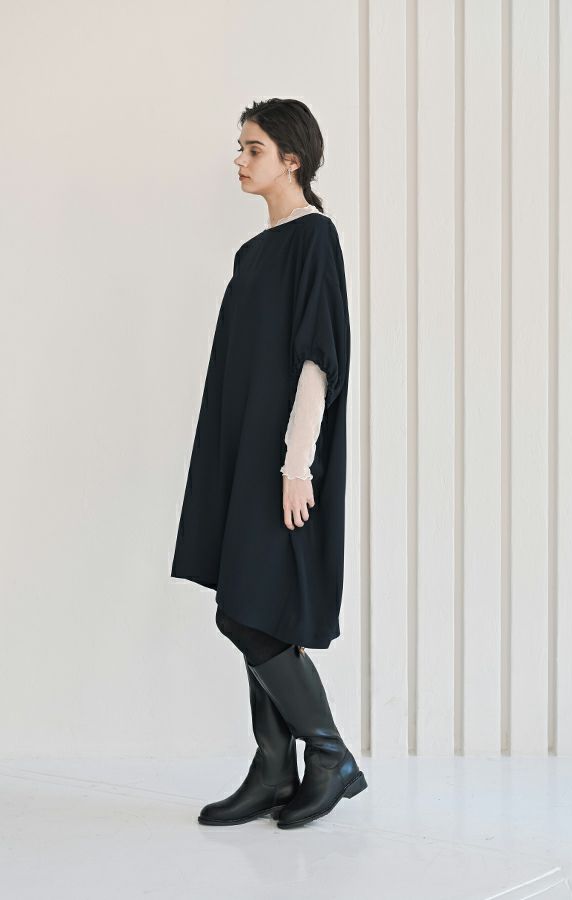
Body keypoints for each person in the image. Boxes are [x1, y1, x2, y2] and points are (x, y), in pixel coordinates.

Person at [170, 98, 367, 829]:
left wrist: (297, 464)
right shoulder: (254, 253)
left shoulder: (315, 238)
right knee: (256, 606)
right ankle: (274, 768)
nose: (240, 160)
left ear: (293, 159)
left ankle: (330, 756)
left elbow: (318, 360)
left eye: (253, 148)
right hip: (243, 453)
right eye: (241, 146)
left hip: (282, 459)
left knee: (246, 612)